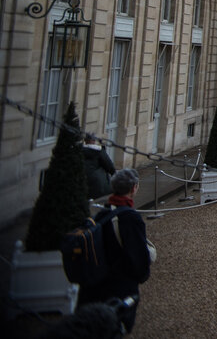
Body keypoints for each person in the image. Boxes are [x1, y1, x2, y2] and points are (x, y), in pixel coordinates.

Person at [77, 168, 152, 333]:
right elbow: (138, 257)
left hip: (97, 283)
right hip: (119, 286)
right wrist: (142, 275)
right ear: (134, 189)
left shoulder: (100, 215)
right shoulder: (130, 218)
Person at [81, 134, 115, 202]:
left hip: (81, 180)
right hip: (97, 185)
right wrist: (113, 173)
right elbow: (109, 166)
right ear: (93, 141)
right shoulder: (99, 151)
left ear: (85, 141)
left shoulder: (79, 150)